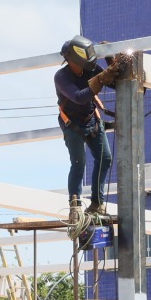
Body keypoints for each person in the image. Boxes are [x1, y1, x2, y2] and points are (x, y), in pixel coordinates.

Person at [54, 36, 125, 216]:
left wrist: (111, 62)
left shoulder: (90, 69)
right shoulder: (61, 77)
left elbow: (116, 84)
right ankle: (75, 206)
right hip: (72, 125)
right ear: (72, 61)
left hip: (92, 120)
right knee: (79, 163)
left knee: (105, 158)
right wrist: (100, 79)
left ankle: (97, 203)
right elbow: (79, 97)